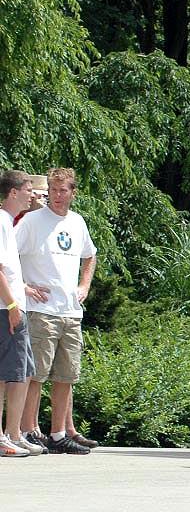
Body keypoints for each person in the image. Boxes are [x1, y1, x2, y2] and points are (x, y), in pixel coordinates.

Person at [17, 167, 98, 455]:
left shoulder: (77, 222)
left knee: (66, 375)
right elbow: (7, 255)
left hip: (70, 311)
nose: (57, 196)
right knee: (36, 374)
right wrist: (24, 287)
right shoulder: (31, 221)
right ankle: (28, 429)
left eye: (63, 190)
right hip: (41, 310)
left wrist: (84, 286)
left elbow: (90, 255)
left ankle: (59, 433)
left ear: (73, 192)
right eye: (53, 190)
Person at [0, 171, 43, 457]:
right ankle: (4, 437)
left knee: (18, 373)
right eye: (28, 189)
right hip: (6, 309)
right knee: (7, 375)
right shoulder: (2, 221)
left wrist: (22, 289)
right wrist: (13, 305)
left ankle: (12, 433)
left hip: (13, 305)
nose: (32, 194)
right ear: (13, 192)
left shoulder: (7, 222)